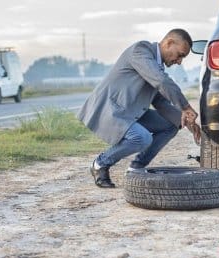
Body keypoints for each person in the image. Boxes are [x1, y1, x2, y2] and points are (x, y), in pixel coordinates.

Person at [77, 29, 202, 188]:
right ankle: (100, 164)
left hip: (131, 112)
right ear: (169, 43)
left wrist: (186, 121)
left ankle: (135, 168)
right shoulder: (141, 51)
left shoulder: (156, 66)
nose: (179, 61)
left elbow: (160, 102)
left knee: (172, 124)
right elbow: (161, 82)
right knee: (142, 138)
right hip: (111, 109)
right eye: (180, 55)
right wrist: (185, 106)